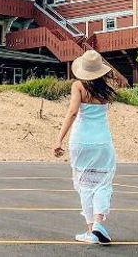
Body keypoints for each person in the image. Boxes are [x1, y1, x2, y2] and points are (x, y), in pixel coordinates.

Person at [53, 50, 119, 244]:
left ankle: (91, 231)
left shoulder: (78, 86)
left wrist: (59, 139)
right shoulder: (105, 89)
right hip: (102, 142)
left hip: (81, 141)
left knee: (85, 186)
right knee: (102, 183)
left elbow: (73, 111)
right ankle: (99, 223)